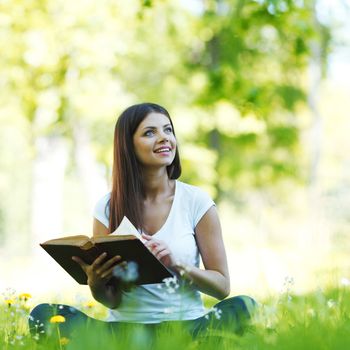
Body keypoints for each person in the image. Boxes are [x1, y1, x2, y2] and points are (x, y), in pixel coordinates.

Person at [29, 103, 256, 341]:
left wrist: (177, 265)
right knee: (43, 315)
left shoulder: (196, 202)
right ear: (128, 145)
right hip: (125, 332)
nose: (164, 138)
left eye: (168, 130)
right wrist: (96, 284)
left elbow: (222, 287)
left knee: (243, 306)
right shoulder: (107, 207)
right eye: (150, 133)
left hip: (186, 329)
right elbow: (113, 300)